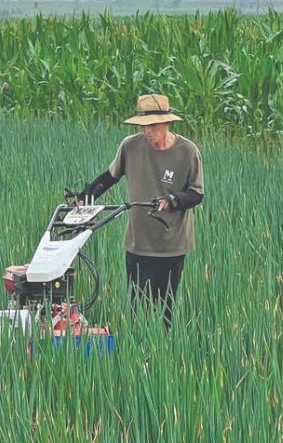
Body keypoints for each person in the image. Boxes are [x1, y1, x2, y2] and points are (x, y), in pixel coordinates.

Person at [79, 93, 204, 328]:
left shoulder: (187, 152)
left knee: (166, 309)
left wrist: (173, 200)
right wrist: (86, 197)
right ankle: (139, 355)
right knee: (138, 310)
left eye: (152, 125)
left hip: (172, 245)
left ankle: (165, 355)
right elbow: (110, 177)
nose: (147, 131)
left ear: (167, 122)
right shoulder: (130, 146)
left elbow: (197, 193)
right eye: (142, 125)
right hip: (138, 244)